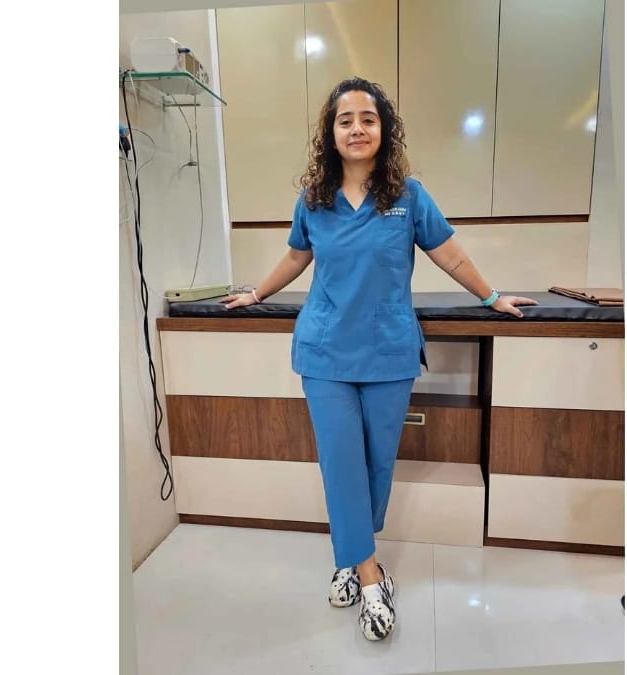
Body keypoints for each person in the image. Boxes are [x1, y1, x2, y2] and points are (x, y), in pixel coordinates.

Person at [219, 77, 537, 641]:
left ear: (384, 130)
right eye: (345, 120)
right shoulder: (314, 200)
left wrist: (492, 297)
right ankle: (370, 576)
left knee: (376, 465)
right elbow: (295, 257)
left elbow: (450, 255)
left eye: (368, 119)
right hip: (325, 351)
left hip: (389, 351)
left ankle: (350, 555)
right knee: (340, 461)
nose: (357, 128)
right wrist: (257, 293)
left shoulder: (408, 196)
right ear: (330, 133)